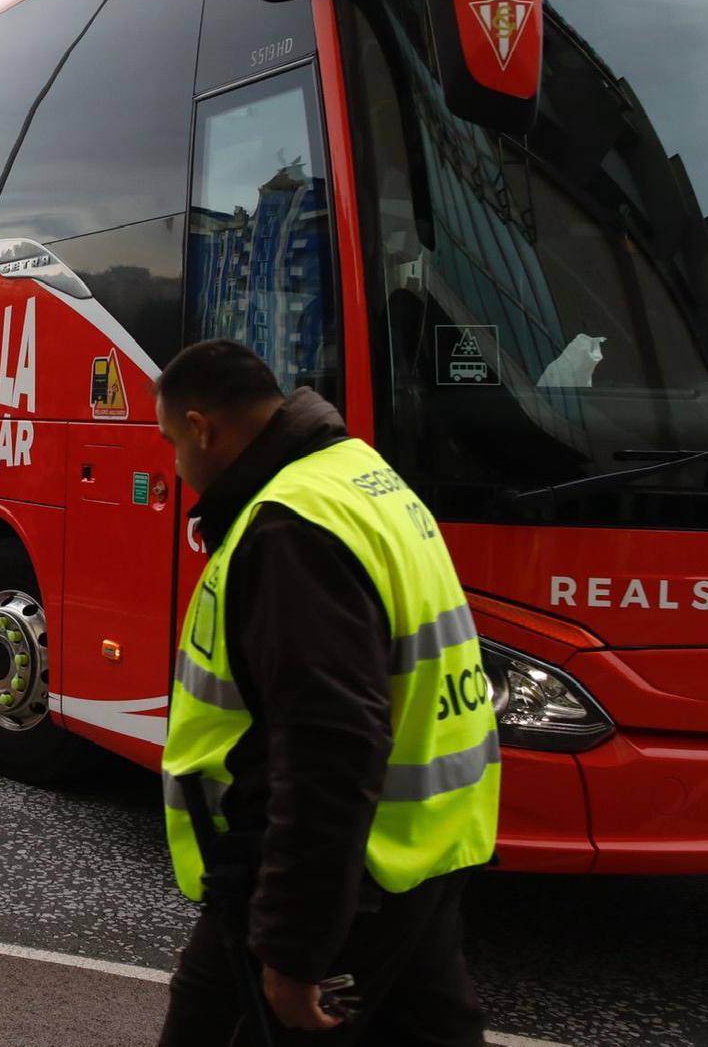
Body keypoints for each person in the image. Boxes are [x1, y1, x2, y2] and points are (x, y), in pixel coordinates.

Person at [152, 340, 498, 1045]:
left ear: (201, 427)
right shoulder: (359, 473)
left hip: (332, 876)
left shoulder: (289, 527)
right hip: (414, 852)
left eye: (171, 443)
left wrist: (293, 941)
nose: (177, 468)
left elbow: (331, 743)